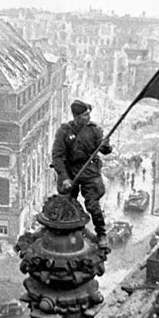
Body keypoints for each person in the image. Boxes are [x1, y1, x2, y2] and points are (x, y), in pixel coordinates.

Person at [51, 99, 112, 246]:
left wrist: (106, 145)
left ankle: (101, 233)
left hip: (89, 170)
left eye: (88, 114)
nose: (88, 118)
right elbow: (57, 156)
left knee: (93, 204)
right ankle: (69, 231)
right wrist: (64, 177)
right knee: (66, 202)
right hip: (70, 171)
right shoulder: (64, 131)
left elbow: (105, 150)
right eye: (85, 115)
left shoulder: (94, 130)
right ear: (76, 117)